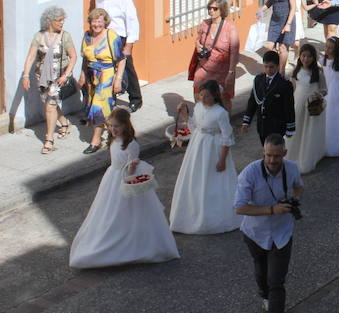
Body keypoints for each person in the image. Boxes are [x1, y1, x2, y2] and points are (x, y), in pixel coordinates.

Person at [69, 108, 179, 268]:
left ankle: (133, 244)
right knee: (109, 211)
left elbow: (131, 169)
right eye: (111, 126)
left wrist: (132, 165)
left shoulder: (131, 144)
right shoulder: (113, 140)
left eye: (117, 126)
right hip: (112, 178)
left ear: (125, 126)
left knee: (128, 211)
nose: (113, 129)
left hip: (125, 179)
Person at [234, 133, 304, 313]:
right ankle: (264, 295)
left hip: (282, 233)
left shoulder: (292, 168)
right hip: (255, 233)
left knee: (276, 280)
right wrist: (272, 209)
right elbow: (239, 207)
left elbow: (299, 187)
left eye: (277, 156)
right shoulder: (249, 173)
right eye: (269, 155)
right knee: (261, 270)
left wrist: (295, 199)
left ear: (285, 153)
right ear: (263, 152)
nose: (272, 160)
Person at [170, 80, 241, 234]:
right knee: (196, 179)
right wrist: (184, 115)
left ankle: (214, 215)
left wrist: (222, 160)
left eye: (207, 96)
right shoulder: (198, 107)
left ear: (215, 96)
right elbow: (195, 127)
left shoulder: (221, 113)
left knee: (213, 180)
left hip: (213, 148)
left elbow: (227, 136)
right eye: (201, 95)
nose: (203, 98)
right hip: (197, 148)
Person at [22, 6, 77, 154]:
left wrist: (66, 75)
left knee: (50, 107)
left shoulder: (65, 36)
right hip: (43, 78)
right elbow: (31, 57)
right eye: (59, 20)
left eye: (63, 19)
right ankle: (64, 123)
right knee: (49, 104)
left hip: (59, 78)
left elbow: (73, 57)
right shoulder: (39, 37)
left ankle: (49, 140)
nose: (62, 23)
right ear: (49, 21)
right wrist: (26, 75)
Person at [79, 8, 127, 154]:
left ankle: (96, 141)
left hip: (107, 75)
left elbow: (121, 59)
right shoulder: (87, 37)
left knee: (98, 107)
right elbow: (85, 58)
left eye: (100, 21)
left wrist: (118, 80)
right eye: (94, 21)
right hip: (92, 77)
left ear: (105, 22)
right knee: (106, 108)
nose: (97, 25)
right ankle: (120, 132)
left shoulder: (111, 36)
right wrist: (82, 75)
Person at [94, 0, 142, 112]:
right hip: (104, 36)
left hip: (120, 37)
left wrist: (129, 44)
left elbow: (132, 21)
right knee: (107, 67)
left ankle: (135, 99)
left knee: (127, 67)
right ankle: (111, 96)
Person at [191, 0, 240, 111]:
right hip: (204, 68)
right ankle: (202, 115)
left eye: (214, 8)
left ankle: (225, 123)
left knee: (223, 98)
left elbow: (234, 52)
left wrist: (231, 72)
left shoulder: (230, 28)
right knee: (197, 91)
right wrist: (197, 45)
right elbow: (198, 39)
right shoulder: (204, 24)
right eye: (209, 8)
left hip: (223, 71)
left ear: (222, 10)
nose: (211, 11)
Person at [287, 43, 327, 173]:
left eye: (309, 56)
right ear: (300, 56)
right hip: (298, 104)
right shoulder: (296, 71)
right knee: (297, 128)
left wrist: (317, 95)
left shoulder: (319, 72)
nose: (306, 59)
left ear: (314, 58)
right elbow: (293, 87)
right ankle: (294, 153)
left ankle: (308, 155)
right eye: (303, 56)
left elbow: (324, 89)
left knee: (309, 130)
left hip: (311, 105)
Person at [241, 50, 295, 146]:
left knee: (274, 150)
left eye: (271, 67)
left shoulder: (284, 84)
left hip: (277, 126)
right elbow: (253, 101)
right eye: (266, 66)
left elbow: (289, 107)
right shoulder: (258, 80)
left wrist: (290, 128)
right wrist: (246, 121)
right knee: (265, 149)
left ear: (278, 66)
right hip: (262, 126)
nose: (268, 70)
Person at [259, 0, 298, 75]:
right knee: (269, 47)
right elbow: (270, 1)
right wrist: (261, 10)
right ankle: (270, 70)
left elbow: (293, 7)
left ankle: (281, 72)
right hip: (275, 21)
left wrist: (288, 24)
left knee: (283, 48)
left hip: (287, 21)